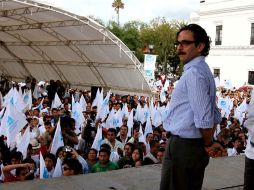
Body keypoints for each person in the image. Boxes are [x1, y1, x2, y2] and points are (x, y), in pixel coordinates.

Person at [160, 24, 221, 190]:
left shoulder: (194, 72)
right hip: (190, 146)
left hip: (184, 146)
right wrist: (208, 142)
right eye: (178, 43)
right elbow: (213, 112)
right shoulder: (202, 70)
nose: (180, 48)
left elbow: (204, 118)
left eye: (185, 43)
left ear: (200, 46)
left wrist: (208, 144)